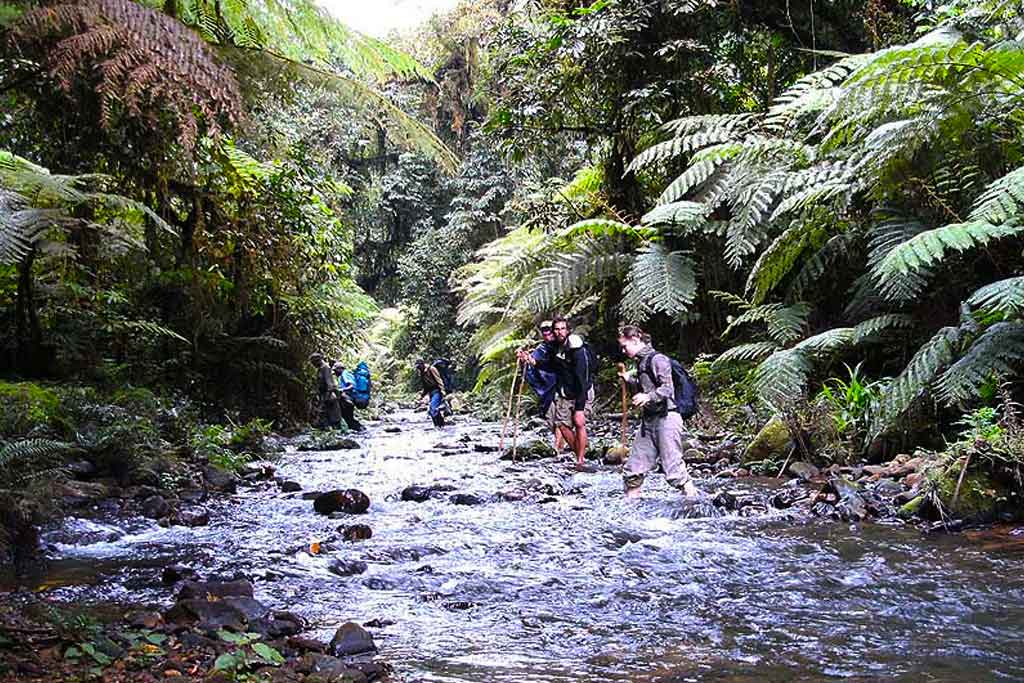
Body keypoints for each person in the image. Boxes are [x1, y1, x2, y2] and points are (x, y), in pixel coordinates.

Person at [616, 325, 699, 498]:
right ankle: (631, 509)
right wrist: (629, 380)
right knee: (633, 469)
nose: (623, 351)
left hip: (667, 418)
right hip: (649, 421)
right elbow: (645, 385)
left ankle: (695, 502)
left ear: (635, 339)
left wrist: (648, 397)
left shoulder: (658, 359)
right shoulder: (641, 362)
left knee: (674, 469)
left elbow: (667, 389)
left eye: (625, 346)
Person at [519, 315, 593, 469]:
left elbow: (583, 379)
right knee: (562, 425)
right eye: (557, 329)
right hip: (565, 392)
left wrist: (579, 408)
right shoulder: (556, 348)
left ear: (568, 330)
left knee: (579, 423)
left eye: (562, 329)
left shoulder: (578, 350)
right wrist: (531, 360)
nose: (559, 332)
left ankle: (580, 460)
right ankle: (580, 454)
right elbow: (551, 365)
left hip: (582, 391)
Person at [523, 321, 565, 451]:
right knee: (551, 421)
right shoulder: (541, 349)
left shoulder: (564, 347)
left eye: (549, 330)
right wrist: (525, 360)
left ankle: (558, 449)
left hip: (562, 389)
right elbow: (532, 366)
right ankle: (564, 444)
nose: (547, 334)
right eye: (544, 331)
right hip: (547, 391)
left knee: (561, 420)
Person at [310, 353, 342, 429]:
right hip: (325, 397)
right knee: (324, 420)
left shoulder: (325, 368)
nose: (313, 365)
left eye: (313, 363)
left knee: (334, 420)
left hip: (329, 397)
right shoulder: (321, 368)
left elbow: (330, 385)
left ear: (317, 361)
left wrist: (326, 399)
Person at [332, 362, 365, 432]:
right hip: (350, 399)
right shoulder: (346, 374)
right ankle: (361, 430)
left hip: (348, 400)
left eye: (335, 370)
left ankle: (361, 430)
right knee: (348, 418)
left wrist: (341, 390)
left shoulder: (344, 374)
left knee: (348, 418)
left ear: (340, 369)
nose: (335, 373)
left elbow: (351, 386)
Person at [416, 359, 449, 427]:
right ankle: (440, 426)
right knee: (433, 410)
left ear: (423, 364)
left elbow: (438, 380)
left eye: (419, 366)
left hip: (437, 391)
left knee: (433, 409)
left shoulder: (431, 369)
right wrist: (422, 395)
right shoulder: (421, 373)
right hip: (431, 392)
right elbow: (425, 386)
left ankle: (439, 426)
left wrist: (443, 391)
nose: (418, 368)